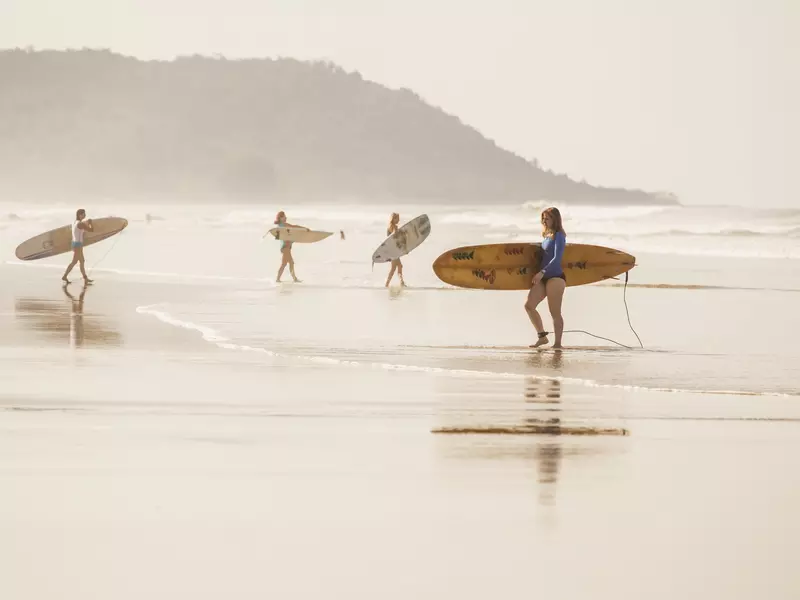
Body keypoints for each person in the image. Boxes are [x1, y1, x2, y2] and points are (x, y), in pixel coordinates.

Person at [524, 207, 566, 348]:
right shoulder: (546, 235)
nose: (544, 220)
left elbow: (556, 258)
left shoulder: (559, 235)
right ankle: (542, 336)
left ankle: (557, 344)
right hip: (543, 277)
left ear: (555, 219)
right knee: (529, 306)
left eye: (547, 218)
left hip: (555, 277)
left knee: (554, 312)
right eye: (543, 218)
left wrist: (542, 271)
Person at [62, 208, 94, 284]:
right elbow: (91, 230)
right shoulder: (81, 224)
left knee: (81, 261)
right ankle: (65, 276)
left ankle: (85, 279)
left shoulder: (74, 222)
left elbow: (78, 232)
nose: (85, 215)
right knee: (74, 262)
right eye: (84, 214)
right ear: (80, 215)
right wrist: (90, 223)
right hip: (78, 245)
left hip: (75, 243)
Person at [274, 211, 306, 283]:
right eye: (284, 216)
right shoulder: (282, 225)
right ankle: (291, 279)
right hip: (285, 247)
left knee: (287, 263)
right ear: (280, 218)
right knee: (288, 263)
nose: (286, 217)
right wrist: (304, 228)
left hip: (286, 247)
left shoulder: (281, 226)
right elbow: (294, 227)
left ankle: (280, 279)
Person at [384, 212, 406, 287]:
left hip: (393, 249)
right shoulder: (393, 226)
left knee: (399, 266)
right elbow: (395, 237)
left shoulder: (390, 226)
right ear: (394, 219)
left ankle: (401, 282)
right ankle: (388, 284)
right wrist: (397, 231)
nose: (399, 220)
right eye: (397, 218)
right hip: (393, 250)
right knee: (395, 267)